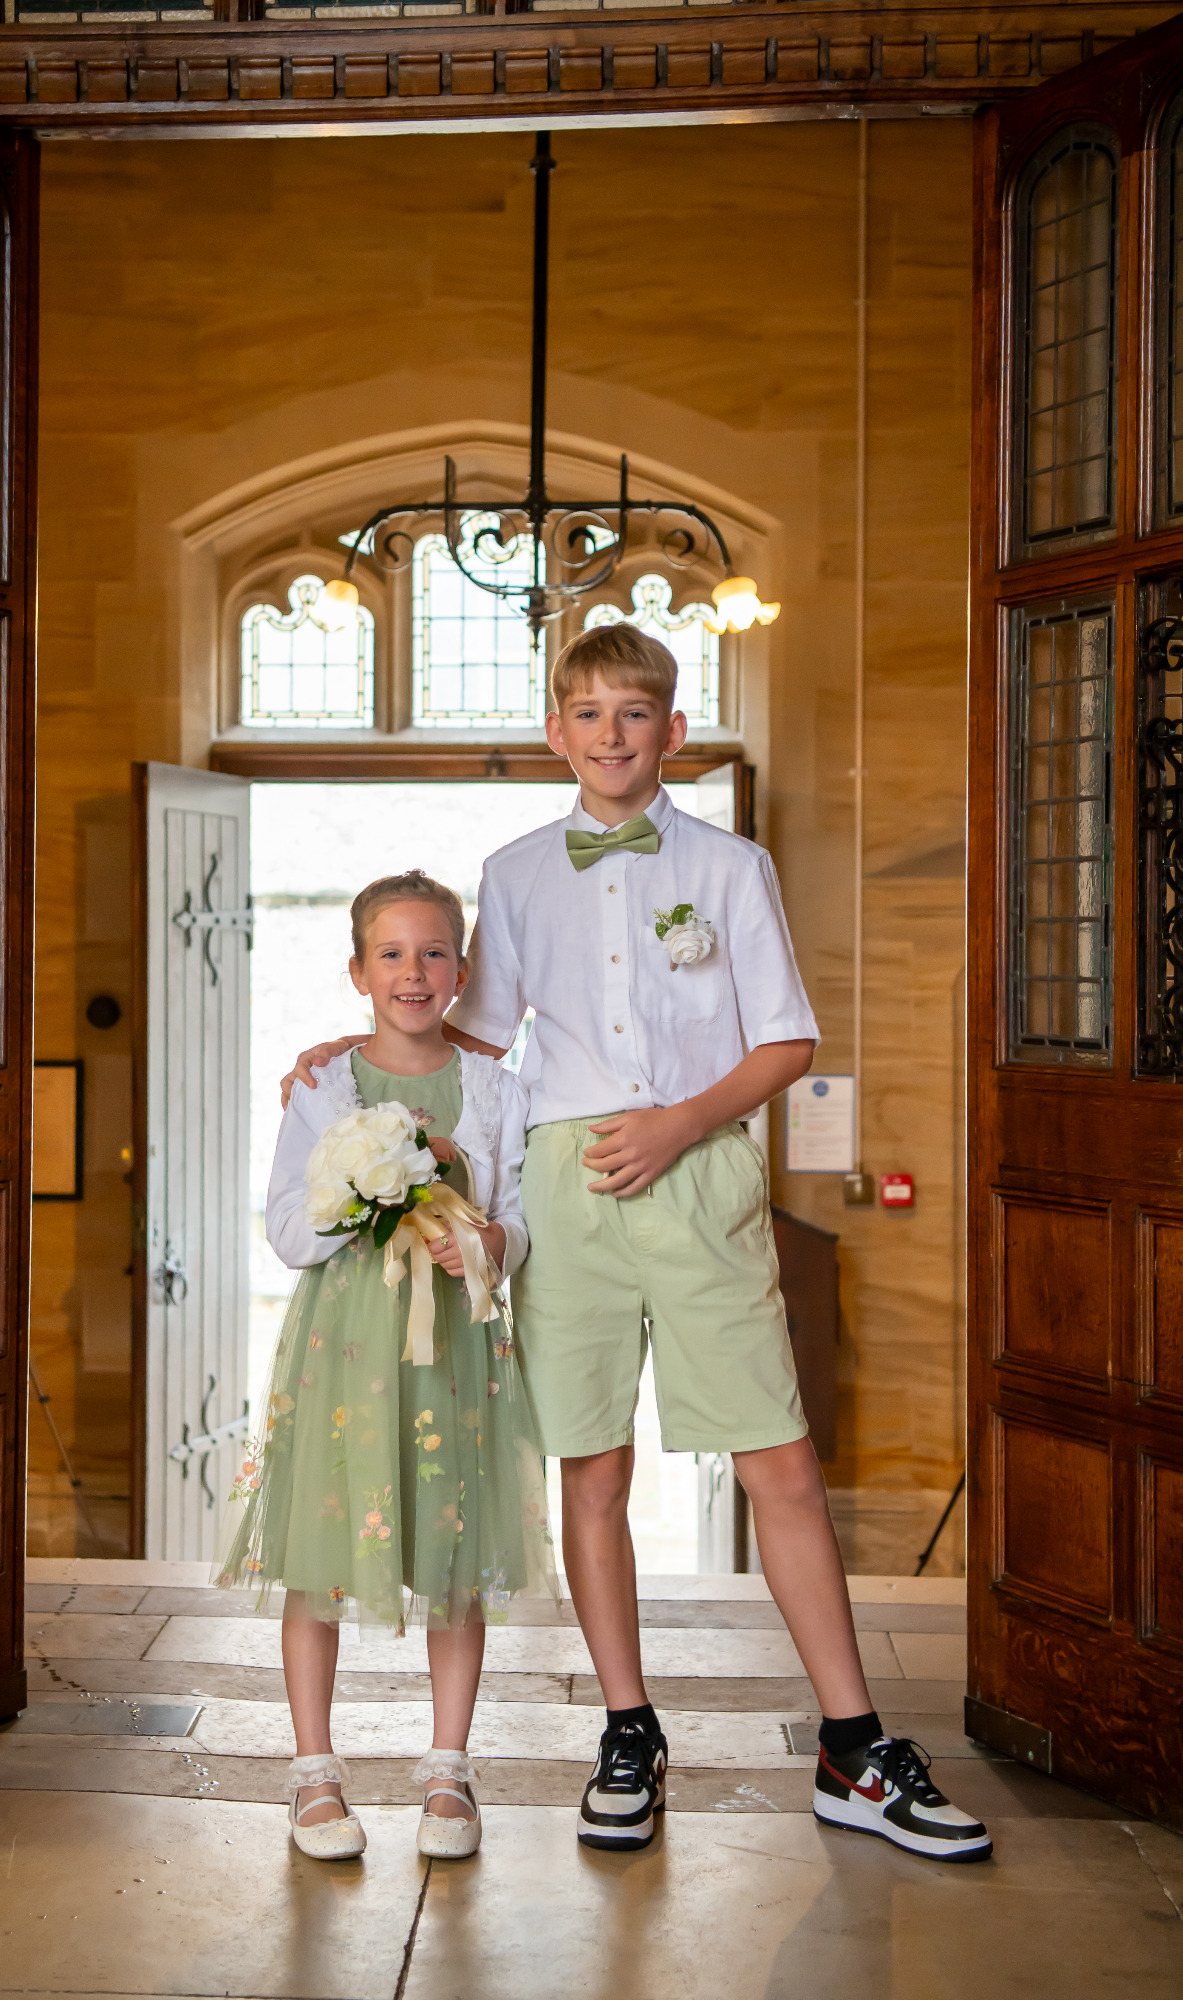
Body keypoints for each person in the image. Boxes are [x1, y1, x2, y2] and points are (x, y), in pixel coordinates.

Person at [282, 626, 991, 1865]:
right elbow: (471, 1031)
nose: (612, 733)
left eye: (635, 712)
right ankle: (628, 1730)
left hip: (698, 1165)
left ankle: (852, 1744)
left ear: (674, 730)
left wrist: (680, 1122)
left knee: (778, 1455)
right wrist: (349, 1058)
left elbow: (786, 1040)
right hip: (564, 1187)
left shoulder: (731, 865)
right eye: (589, 712)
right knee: (592, 1468)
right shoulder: (512, 872)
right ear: (556, 732)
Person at [217, 869, 555, 1863]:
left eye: (434, 952)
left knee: (454, 1562)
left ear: (461, 971)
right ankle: (313, 1773)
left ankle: (448, 1769)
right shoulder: (323, 1089)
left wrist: (487, 1242)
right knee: (321, 1556)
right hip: (347, 1353)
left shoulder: (498, 1091)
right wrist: (371, 1192)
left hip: (452, 1352)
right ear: (358, 971)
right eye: (392, 953)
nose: (414, 971)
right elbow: (288, 1229)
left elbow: (518, 1216)